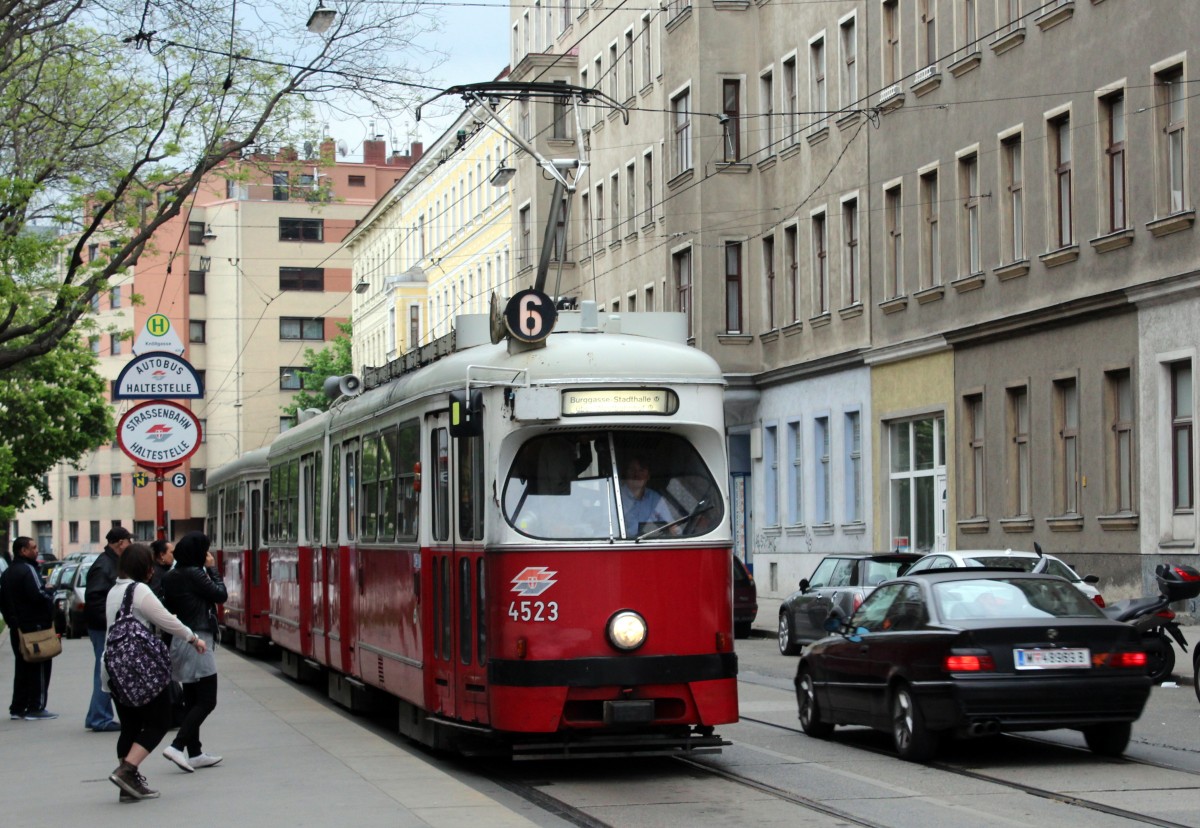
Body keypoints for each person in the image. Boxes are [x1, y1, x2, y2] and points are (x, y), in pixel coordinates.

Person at [104, 543, 207, 802]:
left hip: (113, 670)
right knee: (160, 721)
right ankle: (127, 771)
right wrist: (193, 638)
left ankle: (127, 786)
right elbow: (166, 620)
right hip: (138, 669)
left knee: (129, 726)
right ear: (145, 567)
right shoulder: (138, 590)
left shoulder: (114, 590)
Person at [161, 531, 227, 773]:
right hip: (198, 641)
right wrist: (212, 569)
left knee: (191, 699)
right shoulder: (195, 574)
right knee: (208, 699)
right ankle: (177, 746)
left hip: (180, 641)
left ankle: (195, 752)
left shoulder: (171, 576)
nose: (207, 554)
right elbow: (220, 595)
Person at [0, 537, 58, 721]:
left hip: (17, 628)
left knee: (22, 667)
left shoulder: (8, 572)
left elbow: (3, 602)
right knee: (40, 665)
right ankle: (36, 707)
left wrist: (12, 621)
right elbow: (38, 594)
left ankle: (18, 707)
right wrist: (50, 590)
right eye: (33, 547)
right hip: (35, 628)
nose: (36, 550)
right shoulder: (28, 570)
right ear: (22, 551)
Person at [84, 526, 132, 732]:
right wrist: (112, 622)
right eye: (129, 542)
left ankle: (97, 715)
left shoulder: (108, 563)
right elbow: (95, 601)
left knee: (106, 670)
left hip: (103, 626)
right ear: (121, 543)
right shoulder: (105, 566)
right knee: (105, 671)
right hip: (103, 627)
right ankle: (99, 718)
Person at [619, 455, 676, 533]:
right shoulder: (616, 496)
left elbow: (671, 527)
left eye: (641, 470)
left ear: (648, 476)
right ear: (626, 473)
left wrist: (673, 530)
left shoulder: (656, 498)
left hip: (651, 543)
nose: (637, 475)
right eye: (632, 470)